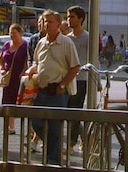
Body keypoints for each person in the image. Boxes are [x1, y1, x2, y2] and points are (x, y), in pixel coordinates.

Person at [25, 10, 80, 165]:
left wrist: (62, 85)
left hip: (57, 92)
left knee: (55, 128)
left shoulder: (66, 43)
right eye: (44, 21)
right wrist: (32, 70)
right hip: (41, 90)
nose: (46, 24)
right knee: (36, 122)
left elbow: (75, 67)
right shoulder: (41, 43)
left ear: (58, 24)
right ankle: (52, 152)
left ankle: (53, 161)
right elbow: (37, 62)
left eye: (50, 21)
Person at [64, 6, 89, 152]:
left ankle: (71, 143)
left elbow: (94, 61)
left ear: (81, 19)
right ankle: (84, 136)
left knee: (74, 111)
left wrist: (96, 81)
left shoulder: (87, 37)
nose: (69, 19)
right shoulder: (67, 39)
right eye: (68, 17)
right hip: (68, 78)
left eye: (72, 17)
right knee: (70, 112)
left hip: (81, 79)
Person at [0, 23, 28, 132]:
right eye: (10, 33)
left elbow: (26, 61)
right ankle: (10, 126)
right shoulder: (6, 45)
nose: (12, 35)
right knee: (7, 101)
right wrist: (1, 68)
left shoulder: (25, 46)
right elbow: (0, 58)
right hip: (8, 76)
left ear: (20, 33)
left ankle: (27, 128)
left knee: (19, 101)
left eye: (14, 33)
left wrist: (24, 72)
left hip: (19, 77)